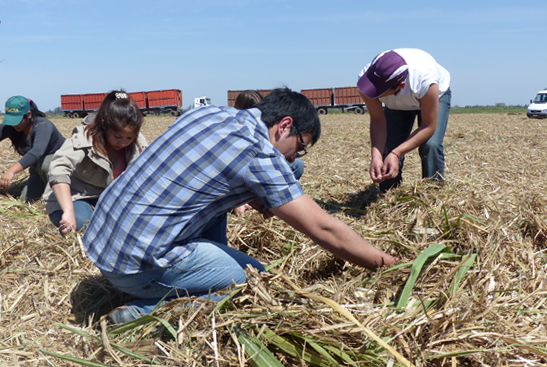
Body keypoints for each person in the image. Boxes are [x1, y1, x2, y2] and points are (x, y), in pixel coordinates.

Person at [81, 87, 397, 323]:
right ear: (285, 125)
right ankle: (149, 314)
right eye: (298, 148)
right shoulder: (259, 153)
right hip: (135, 266)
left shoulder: (212, 113)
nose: (292, 159)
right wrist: (386, 264)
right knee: (256, 281)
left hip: (101, 243)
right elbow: (324, 228)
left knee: (217, 204)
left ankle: (196, 277)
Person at [42, 90, 148, 233]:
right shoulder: (84, 138)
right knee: (88, 225)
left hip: (109, 199)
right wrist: (68, 211)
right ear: (104, 125)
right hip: (76, 196)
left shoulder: (137, 143)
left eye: (129, 138)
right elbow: (58, 169)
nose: (123, 142)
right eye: (117, 136)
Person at [357, 48, 451, 192]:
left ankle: (433, 194)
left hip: (431, 97)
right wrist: (376, 156)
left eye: (378, 92)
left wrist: (397, 153)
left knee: (431, 145)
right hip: (397, 104)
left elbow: (428, 126)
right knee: (389, 145)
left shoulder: (427, 81)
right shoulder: (368, 77)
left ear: (400, 86)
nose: (372, 94)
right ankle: (388, 195)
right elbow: (377, 120)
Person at [233, 90, 305, 215]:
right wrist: (237, 203)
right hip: (242, 177)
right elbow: (230, 170)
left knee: (297, 165)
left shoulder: (265, 126)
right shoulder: (235, 129)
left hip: (259, 171)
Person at [0, 96, 65, 202]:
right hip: (38, 170)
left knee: (45, 164)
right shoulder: (10, 127)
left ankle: (63, 193)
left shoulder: (42, 125)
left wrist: (11, 171)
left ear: (29, 114)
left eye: (17, 120)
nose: (13, 124)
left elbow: (36, 152)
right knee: (26, 201)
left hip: (61, 167)